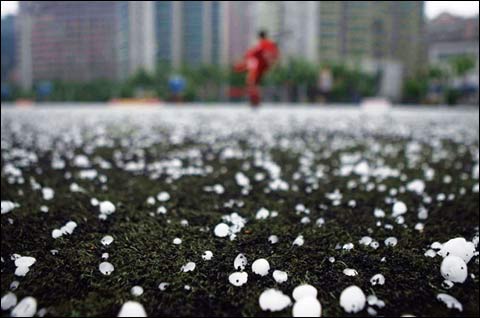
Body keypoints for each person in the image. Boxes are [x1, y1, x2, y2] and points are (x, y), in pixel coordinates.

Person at [234, 30, 279, 107]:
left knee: (252, 81)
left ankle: (255, 99)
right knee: (253, 82)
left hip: (258, 64)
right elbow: (274, 55)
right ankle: (255, 99)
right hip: (261, 65)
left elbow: (253, 53)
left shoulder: (264, 44)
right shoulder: (268, 44)